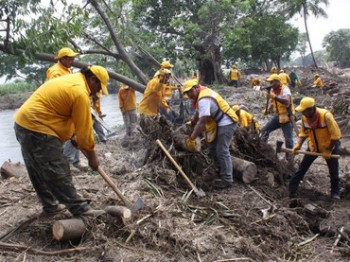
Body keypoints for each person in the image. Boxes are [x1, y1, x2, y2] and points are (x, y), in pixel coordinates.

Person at [14, 65, 109, 217]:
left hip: (23, 123)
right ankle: (81, 210)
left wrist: (72, 135)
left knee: (37, 169)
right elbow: (85, 134)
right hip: (39, 127)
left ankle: (50, 206)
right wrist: (93, 158)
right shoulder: (80, 92)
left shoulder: (72, 80)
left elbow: (62, 112)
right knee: (57, 169)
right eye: (98, 87)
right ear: (92, 79)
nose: (97, 92)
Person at [182, 79, 238, 189]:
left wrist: (192, 138)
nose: (189, 95)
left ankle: (227, 180)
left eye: (190, 92)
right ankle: (220, 170)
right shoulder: (202, 94)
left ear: (196, 88)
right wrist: (193, 122)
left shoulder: (203, 98)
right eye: (187, 93)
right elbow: (199, 112)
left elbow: (202, 122)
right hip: (218, 122)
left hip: (227, 122)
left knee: (222, 150)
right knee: (212, 147)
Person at [289, 97, 341, 200]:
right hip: (313, 146)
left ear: (311, 109)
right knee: (303, 167)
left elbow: (336, 136)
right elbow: (304, 132)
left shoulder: (326, 116)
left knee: (333, 170)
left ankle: (335, 193)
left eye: (304, 111)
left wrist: (328, 149)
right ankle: (292, 190)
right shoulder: (305, 118)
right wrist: (298, 144)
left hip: (329, 145)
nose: (302, 113)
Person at [47, 47, 83, 171]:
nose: (72, 61)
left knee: (75, 131)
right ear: (63, 59)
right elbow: (57, 92)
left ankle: (76, 161)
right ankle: (68, 161)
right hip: (61, 108)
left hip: (69, 105)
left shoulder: (67, 70)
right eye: (70, 58)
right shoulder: (55, 72)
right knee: (70, 133)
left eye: (73, 58)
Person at [261, 74, 295, 159]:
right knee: (265, 130)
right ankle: (262, 149)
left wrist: (275, 97)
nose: (271, 83)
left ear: (277, 81)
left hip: (287, 117)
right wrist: (268, 110)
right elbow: (273, 102)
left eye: (272, 82)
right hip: (278, 116)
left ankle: (289, 159)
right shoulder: (273, 90)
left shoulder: (285, 89)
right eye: (270, 82)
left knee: (289, 140)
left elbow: (287, 101)